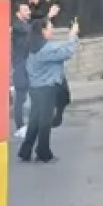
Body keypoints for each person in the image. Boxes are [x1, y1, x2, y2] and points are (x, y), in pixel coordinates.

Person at [21, 17, 80, 163]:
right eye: (50, 27)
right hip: (46, 88)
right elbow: (67, 52)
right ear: (43, 31)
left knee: (35, 120)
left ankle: (25, 150)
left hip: (35, 87)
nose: (52, 30)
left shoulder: (33, 46)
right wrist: (72, 35)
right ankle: (43, 152)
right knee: (45, 121)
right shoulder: (45, 48)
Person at [11, 2, 32, 137]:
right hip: (19, 65)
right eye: (25, 10)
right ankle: (19, 127)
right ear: (18, 13)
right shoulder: (17, 26)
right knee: (20, 97)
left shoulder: (24, 26)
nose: (29, 12)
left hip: (26, 65)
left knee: (25, 96)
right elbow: (30, 31)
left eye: (28, 9)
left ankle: (27, 124)